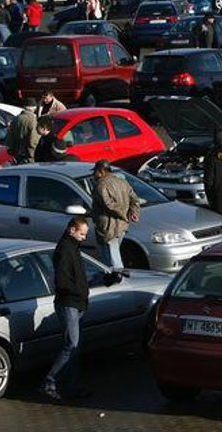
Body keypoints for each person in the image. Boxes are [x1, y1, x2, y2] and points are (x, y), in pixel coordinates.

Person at [41, 217, 91, 401]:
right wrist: (80, 291)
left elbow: (79, 277)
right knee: (71, 345)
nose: (84, 238)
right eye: (82, 234)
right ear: (72, 230)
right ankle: (49, 381)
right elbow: (62, 282)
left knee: (74, 348)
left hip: (78, 303)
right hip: (69, 303)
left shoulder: (74, 248)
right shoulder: (64, 250)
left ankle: (72, 386)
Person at [91, 160, 139, 270]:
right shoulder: (122, 182)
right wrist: (133, 212)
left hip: (108, 227)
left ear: (102, 171)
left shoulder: (101, 185)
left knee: (112, 260)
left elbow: (108, 205)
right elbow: (135, 199)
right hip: (122, 227)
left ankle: (118, 280)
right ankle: (110, 278)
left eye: (95, 172)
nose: (94, 174)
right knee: (111, 256)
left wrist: (123, 214)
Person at [7, 99, 40, 164]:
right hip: (27, 155)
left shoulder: (16, 118)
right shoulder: (32, 120)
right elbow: (33, 141)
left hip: (16, 153)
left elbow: (10, 137)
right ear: (34, 108)